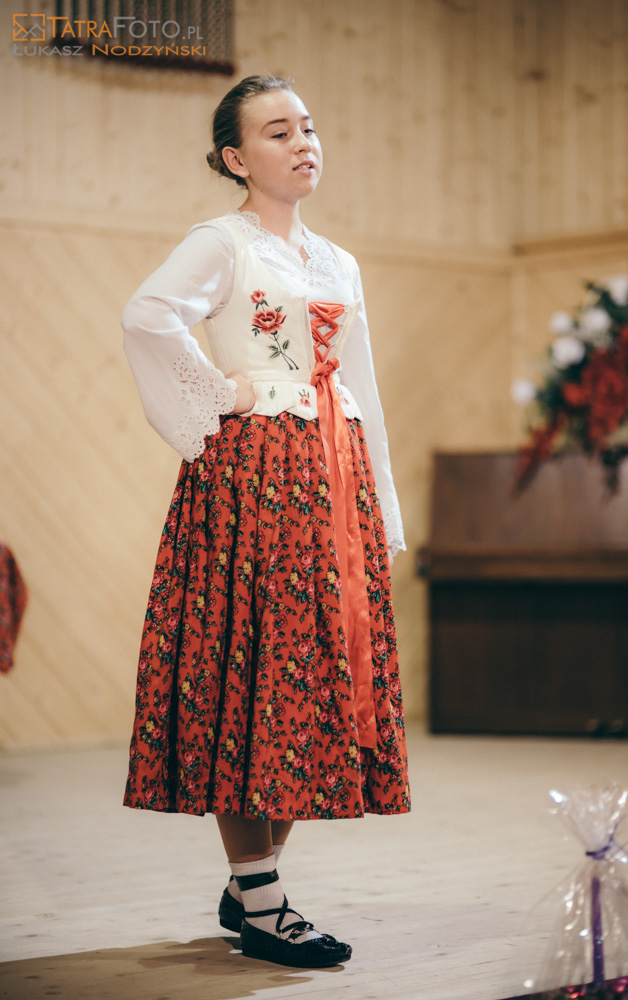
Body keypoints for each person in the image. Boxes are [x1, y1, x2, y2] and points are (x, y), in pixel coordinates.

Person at [122, 74, 410, 969]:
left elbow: (360, 383)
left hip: (332, 473)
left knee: (312, 674)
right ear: (236, 158)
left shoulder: (337, 262)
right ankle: (263, 900)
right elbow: (148, 315)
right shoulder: (222, 242)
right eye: (278, 131)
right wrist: (223, 395)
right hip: (255, 478)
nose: (302, 143)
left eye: (308, 128)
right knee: (253, 671)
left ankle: (253, 885)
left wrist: (379, 507)